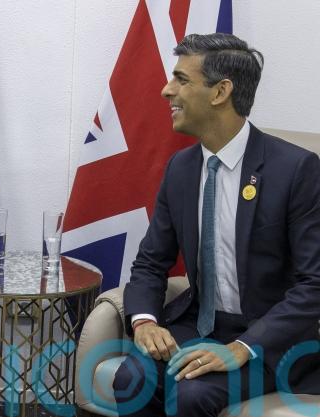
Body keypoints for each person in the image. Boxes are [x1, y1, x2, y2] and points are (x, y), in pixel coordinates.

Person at [112, 33, 320, 416]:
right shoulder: (181, 168)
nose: (166, 90)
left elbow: (314, 284)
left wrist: (242, 348)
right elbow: (150, 263)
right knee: (131, 378)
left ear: (221, 91)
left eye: (181, 80)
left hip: (269, 340)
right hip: (197, 325)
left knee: (192, 395)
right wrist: (144, 322)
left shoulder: (296, 170)